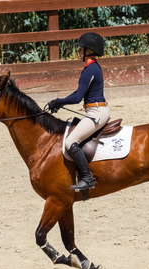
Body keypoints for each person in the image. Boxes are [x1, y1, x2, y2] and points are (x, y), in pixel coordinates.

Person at [48, 32, 110, 190]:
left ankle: (88, 178)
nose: (79, 51)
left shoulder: (91, 69)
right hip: (94, 111)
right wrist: (60, 102)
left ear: (89, 50)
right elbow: (78, 95)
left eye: (81, 49)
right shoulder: (91, 68)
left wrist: (59, 101)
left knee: (70, 142)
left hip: (97, 113)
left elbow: (77, 97)